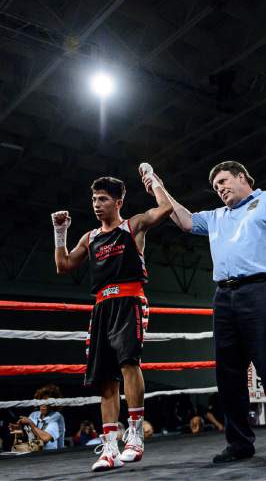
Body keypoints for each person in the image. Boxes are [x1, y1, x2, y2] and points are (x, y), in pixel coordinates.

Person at [144, 160, 266, 463]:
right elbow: (184, 221)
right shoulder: (216, 217)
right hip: (224, 296)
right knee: (228, 374)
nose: (220, 189)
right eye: (215, 187)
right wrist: (159, 185)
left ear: (243, 177)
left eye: (224, 181)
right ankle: (239, 442)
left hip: (262, 290)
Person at [52, 164, 173, 471]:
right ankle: (109, 447)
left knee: (129, 363)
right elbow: (63, 265)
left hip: (130, 299)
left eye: (103, 198)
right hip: (102, 306)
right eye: (94, 199)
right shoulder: (90, 237)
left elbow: (166, 208)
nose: (96, 204)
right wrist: (60, 231)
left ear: (118, 202)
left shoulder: (133, 226)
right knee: (105, 377)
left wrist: (153, 180)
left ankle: (135, 433)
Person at [9, 384, 65, 450]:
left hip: (53, 456)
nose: (44, 405)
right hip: (35, 455)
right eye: (42, 401)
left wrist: (31, 423)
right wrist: (19, 429)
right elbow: (29, 434)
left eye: (47, 402)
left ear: (53, 404)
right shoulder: (34, 415)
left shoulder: (57, 416)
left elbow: (45, 439)